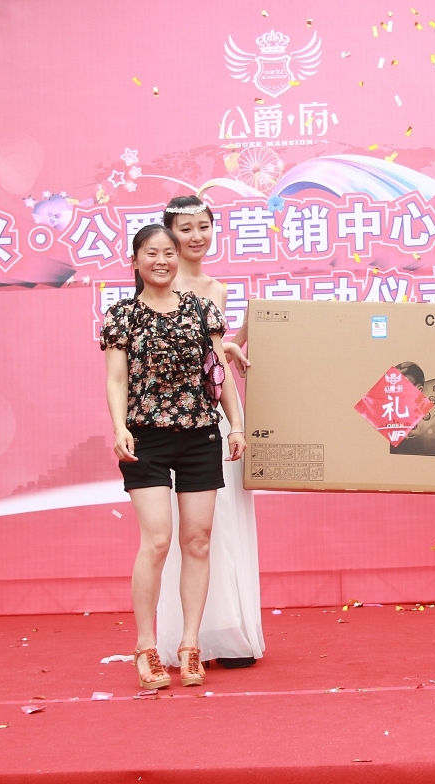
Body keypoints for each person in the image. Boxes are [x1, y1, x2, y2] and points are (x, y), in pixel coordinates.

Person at [101, 223, 246, 689]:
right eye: (151, 253)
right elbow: (117, 379)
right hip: (146, 439)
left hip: (200, 435)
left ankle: (189, 646)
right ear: (136, 261)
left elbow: (219, 372)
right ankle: (146, 648)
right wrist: (119, 426)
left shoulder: (202, 310)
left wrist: (235, 424)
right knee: (158, 541)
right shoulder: (122, 315)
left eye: (169, 252)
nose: (162, 261)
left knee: (197, 541)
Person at [153, 195, 265, 670]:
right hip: (172, 422)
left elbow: (212, 355)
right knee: (186, 533)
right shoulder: (158, 282)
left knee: (222, 526)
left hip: (214, 417)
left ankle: (229, 634)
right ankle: (187, 637)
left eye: (203, 226)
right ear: (168, 234)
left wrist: (237, 344)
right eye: (185, 228)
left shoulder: (216, 288)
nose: (196, 236)